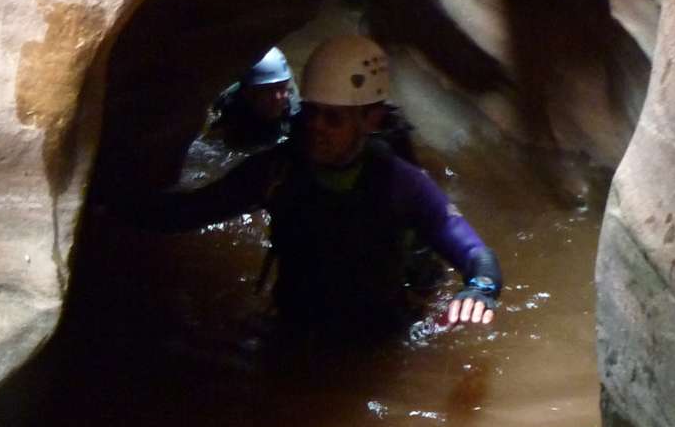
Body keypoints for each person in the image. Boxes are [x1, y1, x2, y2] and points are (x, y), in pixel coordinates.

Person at [128, 35, 502, 340]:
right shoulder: (277, 170)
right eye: (312, 112)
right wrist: (117, 204)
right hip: (295, 331)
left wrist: (480, 289)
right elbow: (187, 212)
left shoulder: (401, 183)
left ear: (370, 119)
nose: (316, 127)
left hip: (377, 341)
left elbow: (474, 252)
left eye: (333, 118)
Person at [209, 47, 297, 152]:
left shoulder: (293, 106)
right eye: (268, 90)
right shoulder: (229, 110)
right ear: (249, 92)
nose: (277, 98)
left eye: (281, 87)